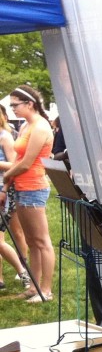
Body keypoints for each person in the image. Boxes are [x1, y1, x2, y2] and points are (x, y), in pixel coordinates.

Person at [0, 86, 55, 303]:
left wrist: (5, 177)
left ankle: (46, 290)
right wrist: (7, 186)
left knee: (42, 241)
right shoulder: (26, 126)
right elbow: (17, 162)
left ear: (29, 104)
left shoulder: (40, 127)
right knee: (32, 242)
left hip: (34, 188)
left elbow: (25, 164)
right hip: (22, 188)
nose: (11, 109)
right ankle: (34, 287)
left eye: (15, 105)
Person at [0, 104, 31, 292]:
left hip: (3, 190)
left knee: (13, 234)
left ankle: (23, 270)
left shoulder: (5, 136)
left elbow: (14, 164)